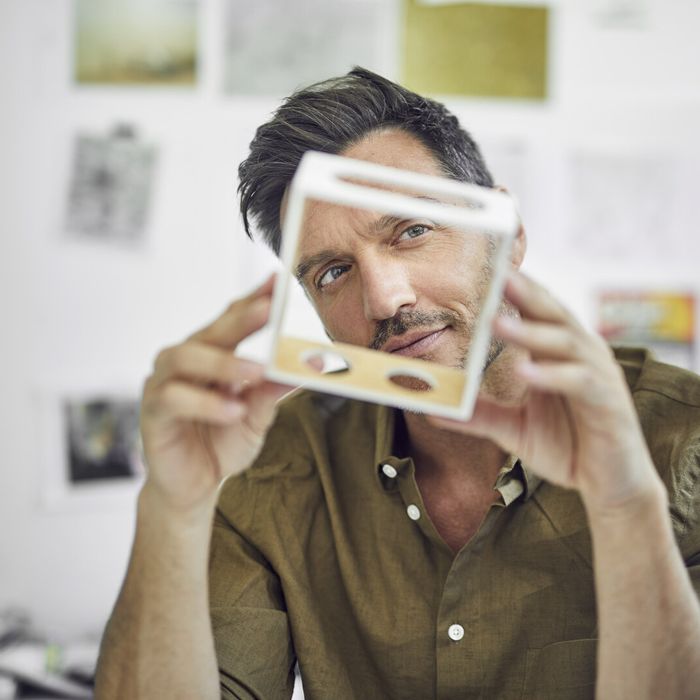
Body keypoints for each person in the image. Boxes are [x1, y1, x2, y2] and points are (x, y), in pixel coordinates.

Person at [94, 68, 700, 699]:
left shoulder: (684, 440)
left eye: (412, 231)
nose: (384, 299)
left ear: (508, 234)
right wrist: (170, 506)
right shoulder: (270, 460)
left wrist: (628, 511)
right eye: (333, 273)